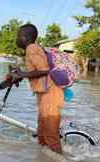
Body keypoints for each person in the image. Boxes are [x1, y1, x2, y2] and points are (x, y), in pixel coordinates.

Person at [12, 24, 64, 154]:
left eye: (18, 36)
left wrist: (22, 74)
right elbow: (36, 71)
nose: (16, 39)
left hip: (50, 93)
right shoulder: (33, 48)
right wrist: (19, 76)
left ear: (24, 37)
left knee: (50, 132)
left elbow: (43, 70)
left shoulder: (31, 48)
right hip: (44, 93)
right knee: (41, 133)